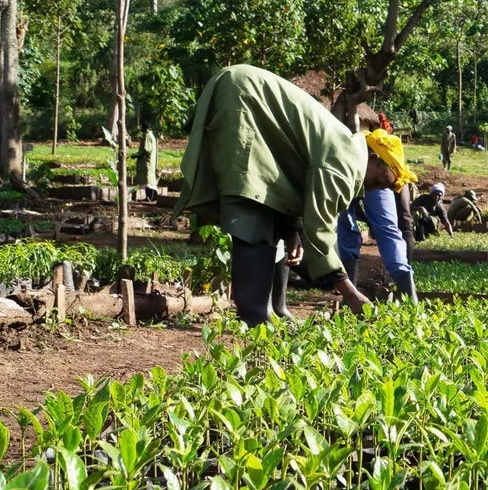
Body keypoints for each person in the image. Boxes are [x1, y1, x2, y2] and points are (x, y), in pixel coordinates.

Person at [175, 65, 391, 326]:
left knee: (272, 221)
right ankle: (255, 316)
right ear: (377, 160)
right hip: (245, 102)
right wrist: (349, 291)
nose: (381, 188)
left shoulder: (348, 154)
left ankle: (274, 309)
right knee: (252, 208)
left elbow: (290, 184)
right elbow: (319, 225)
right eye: (383, 181)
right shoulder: (346, 162)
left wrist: (291, 230)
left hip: (250, 102)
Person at [336, 129, 418, 301]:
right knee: (345, 225)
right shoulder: (344, 157)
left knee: (387, 228)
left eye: (385, 185)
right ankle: (350, 295)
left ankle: (408, 295)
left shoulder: (383, 172)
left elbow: (395, 225)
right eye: (379, 182)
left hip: (368, 170)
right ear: (373, 159)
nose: (378, 186)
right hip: (346, 173)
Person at [133, 118, 160, 200]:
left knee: (148, 181)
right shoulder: (152, 136)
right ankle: (149, 197)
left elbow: (146, 150)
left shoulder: (147, 136)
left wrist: (136, 155)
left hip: (146, 163)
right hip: (149, 162)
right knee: (148, 181)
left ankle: (152, 197)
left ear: (145, 128)